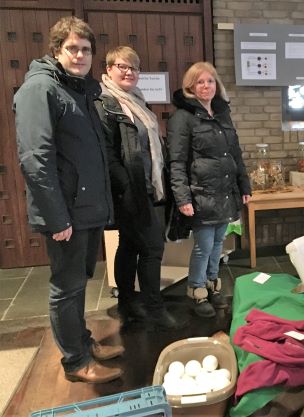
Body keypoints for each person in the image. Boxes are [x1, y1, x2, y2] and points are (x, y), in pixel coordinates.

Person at [13, 16, 123, 383]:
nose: (80, 55)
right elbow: (35, 158)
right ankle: (75, 362)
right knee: (66, 287)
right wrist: (57, 218)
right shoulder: (39, 90)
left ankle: (84, 341)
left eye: (86, 49)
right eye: (72, 48)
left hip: (85, 209)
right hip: (66, 214)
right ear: (57, 50)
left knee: (79, 282)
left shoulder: (79, 89)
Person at [95, 46, 181, 330]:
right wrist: (126, 187)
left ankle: (128, 304)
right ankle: (153, 309)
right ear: (109, 70)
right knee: (153, 248)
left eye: (134, 67)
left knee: (130, 245)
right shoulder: (105, 103)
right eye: (122, 66)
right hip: (131, 190)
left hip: (148, 186)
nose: (129, 72)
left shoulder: (137, 101)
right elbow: (107, 154)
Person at [168, 62, 251, 317]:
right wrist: (183, 197)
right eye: (200, 82)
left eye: (210, 81)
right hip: (200, 194)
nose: (206, 86)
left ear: (217, 85)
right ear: (190, 86)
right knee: (203, 246)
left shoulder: (222, 114)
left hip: (224, 192)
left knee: (217, 244)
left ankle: (213, 285)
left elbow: (235, 154)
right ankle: (196, 289)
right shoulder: (182, 117)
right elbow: (177, 162)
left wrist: (244, 184)